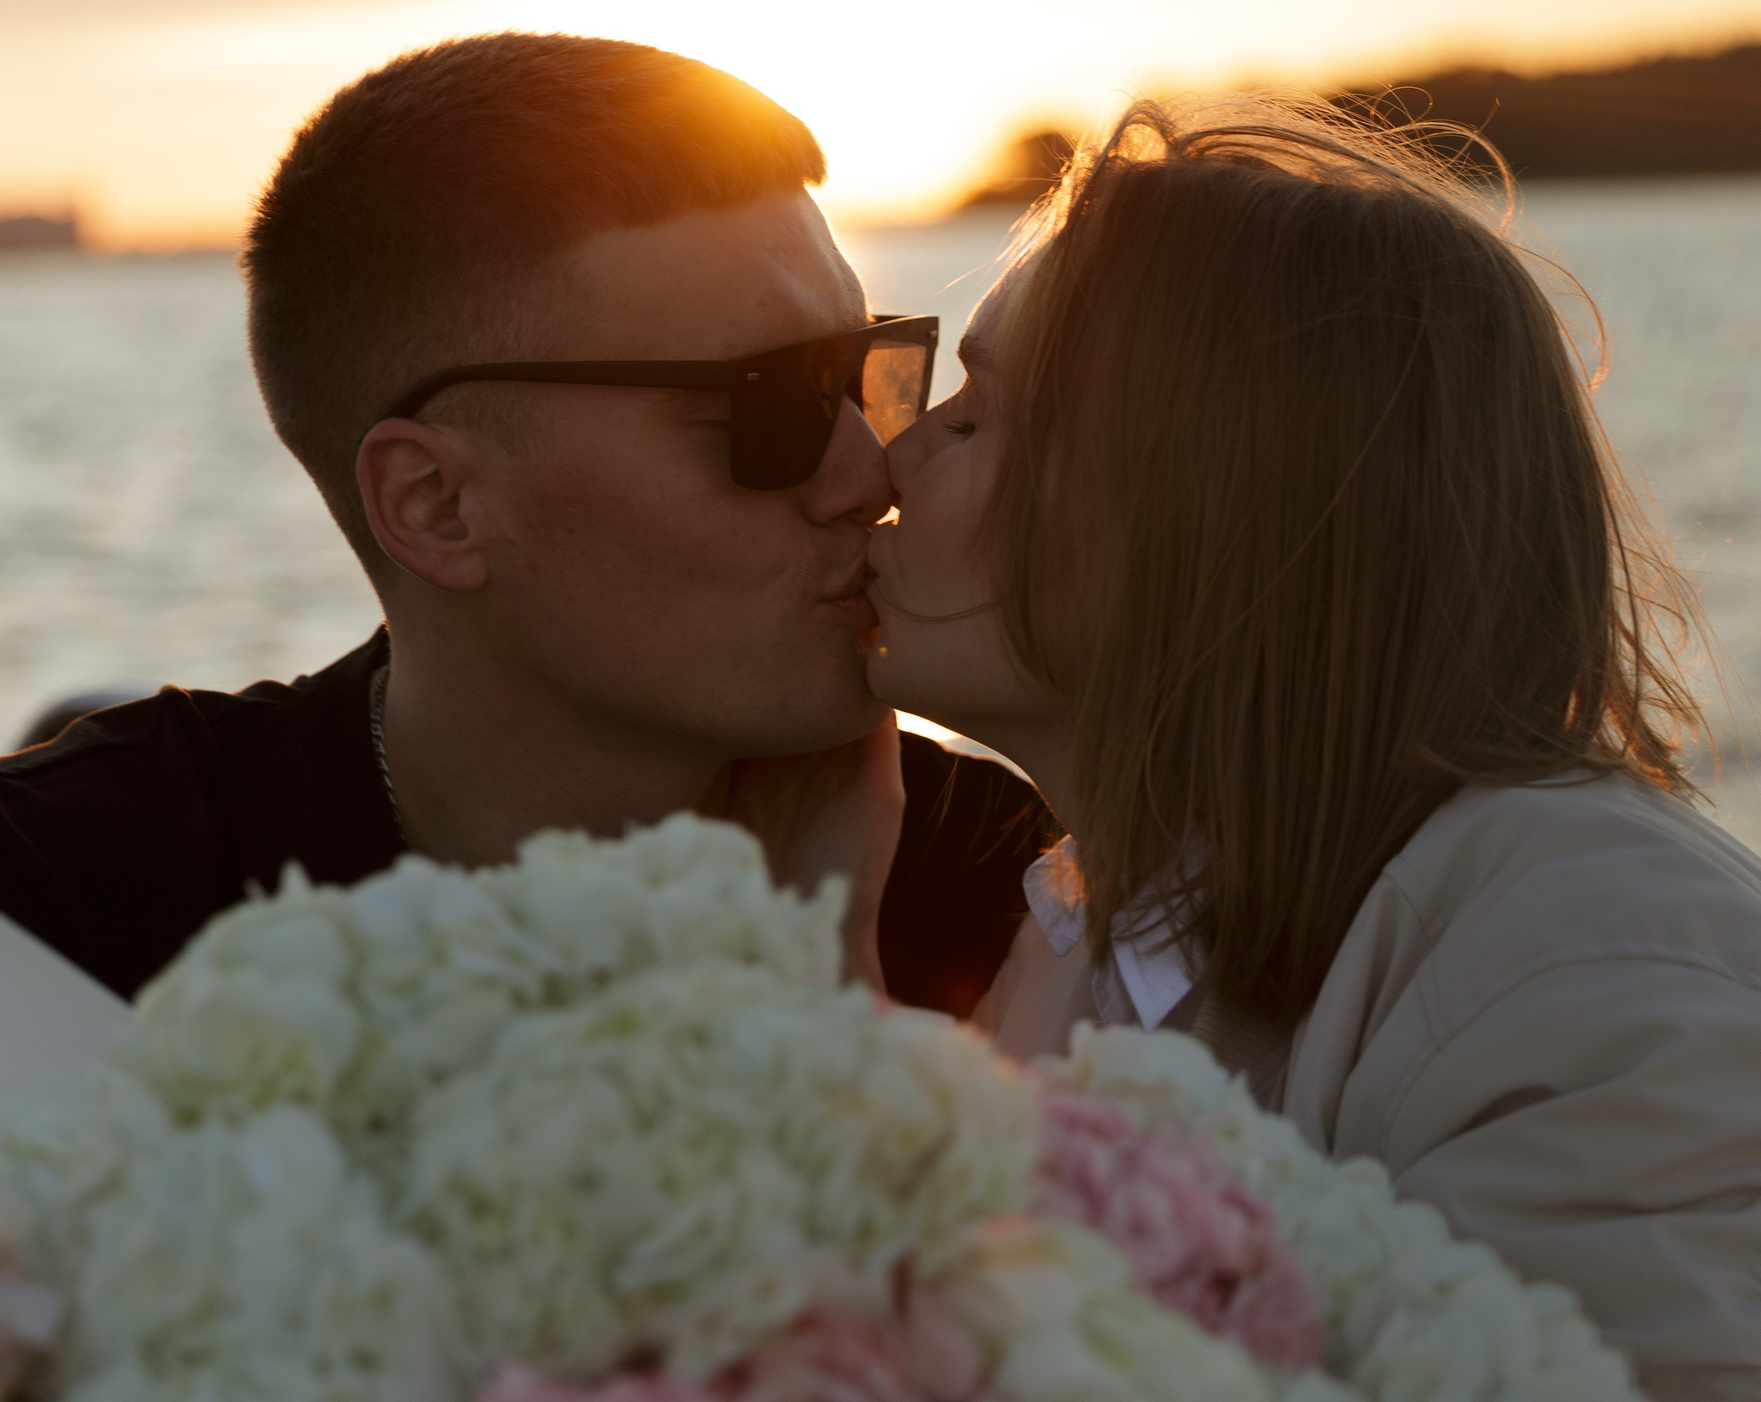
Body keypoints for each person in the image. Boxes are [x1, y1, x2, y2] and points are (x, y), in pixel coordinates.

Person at [867, 98, 1761, 1402]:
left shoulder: (1620, 1009)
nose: (889, 459)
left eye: (979, 419)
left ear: (1201, 504)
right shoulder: (1110, 944)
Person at [0, 34, 1043, 1014]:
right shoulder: (59, 917)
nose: (872, 469)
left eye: (868, 373)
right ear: (436, 506)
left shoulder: (1022, 895)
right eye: (771, 407)